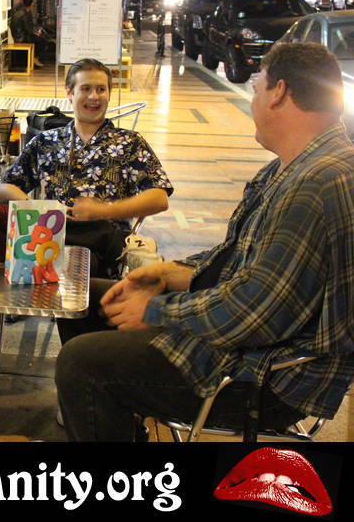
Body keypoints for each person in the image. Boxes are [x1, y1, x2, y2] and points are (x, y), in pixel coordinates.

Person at [56, 42, 354, 442]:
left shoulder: (317, 183)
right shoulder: (291, 168)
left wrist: (157, 311)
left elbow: (255, 312)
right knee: (77, 293)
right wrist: (170, 274)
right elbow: (234, 257)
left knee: (80, 364)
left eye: (257, 87)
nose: (252, 99)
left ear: (279, 92)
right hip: (247, 342)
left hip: (264, 375)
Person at [0, 58, 172, 342]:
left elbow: (159, 198)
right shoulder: (46, 142)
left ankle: (79, 345)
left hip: (103, 245)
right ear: (70, 93)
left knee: (77, 278)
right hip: (50, 240)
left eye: (101, 89)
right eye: (86, 88)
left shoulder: (129, 144)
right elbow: (4, 189)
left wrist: (104, 210)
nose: (94, 97)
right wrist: (40, 208)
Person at [8, 0, 44, 68]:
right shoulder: (22, 12)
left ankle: (33, 59)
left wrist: (34, 31)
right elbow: (26, 28)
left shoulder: (22, 10)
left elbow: (27, 26)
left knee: (39, 38)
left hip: (20, 35)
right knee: (41, 41)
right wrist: (35, 32)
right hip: (20, 37)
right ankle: (33, 59)